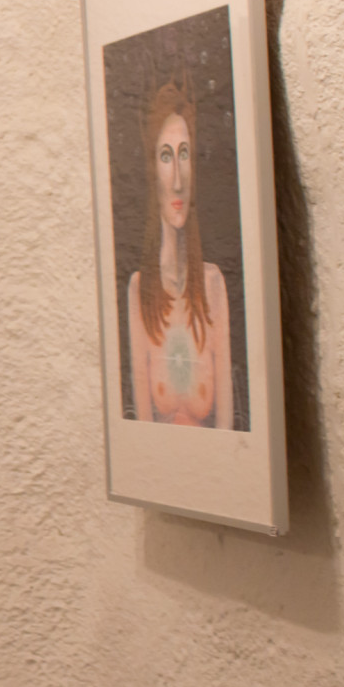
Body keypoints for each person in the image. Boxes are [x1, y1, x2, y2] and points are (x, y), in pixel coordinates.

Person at [126, 80, 233, 429]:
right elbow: (142, 429)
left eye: (184, 154)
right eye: (165, 156)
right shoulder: (139, 292)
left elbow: (228, 429)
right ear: (152, 169)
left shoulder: (213, 286)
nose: (176, 180)